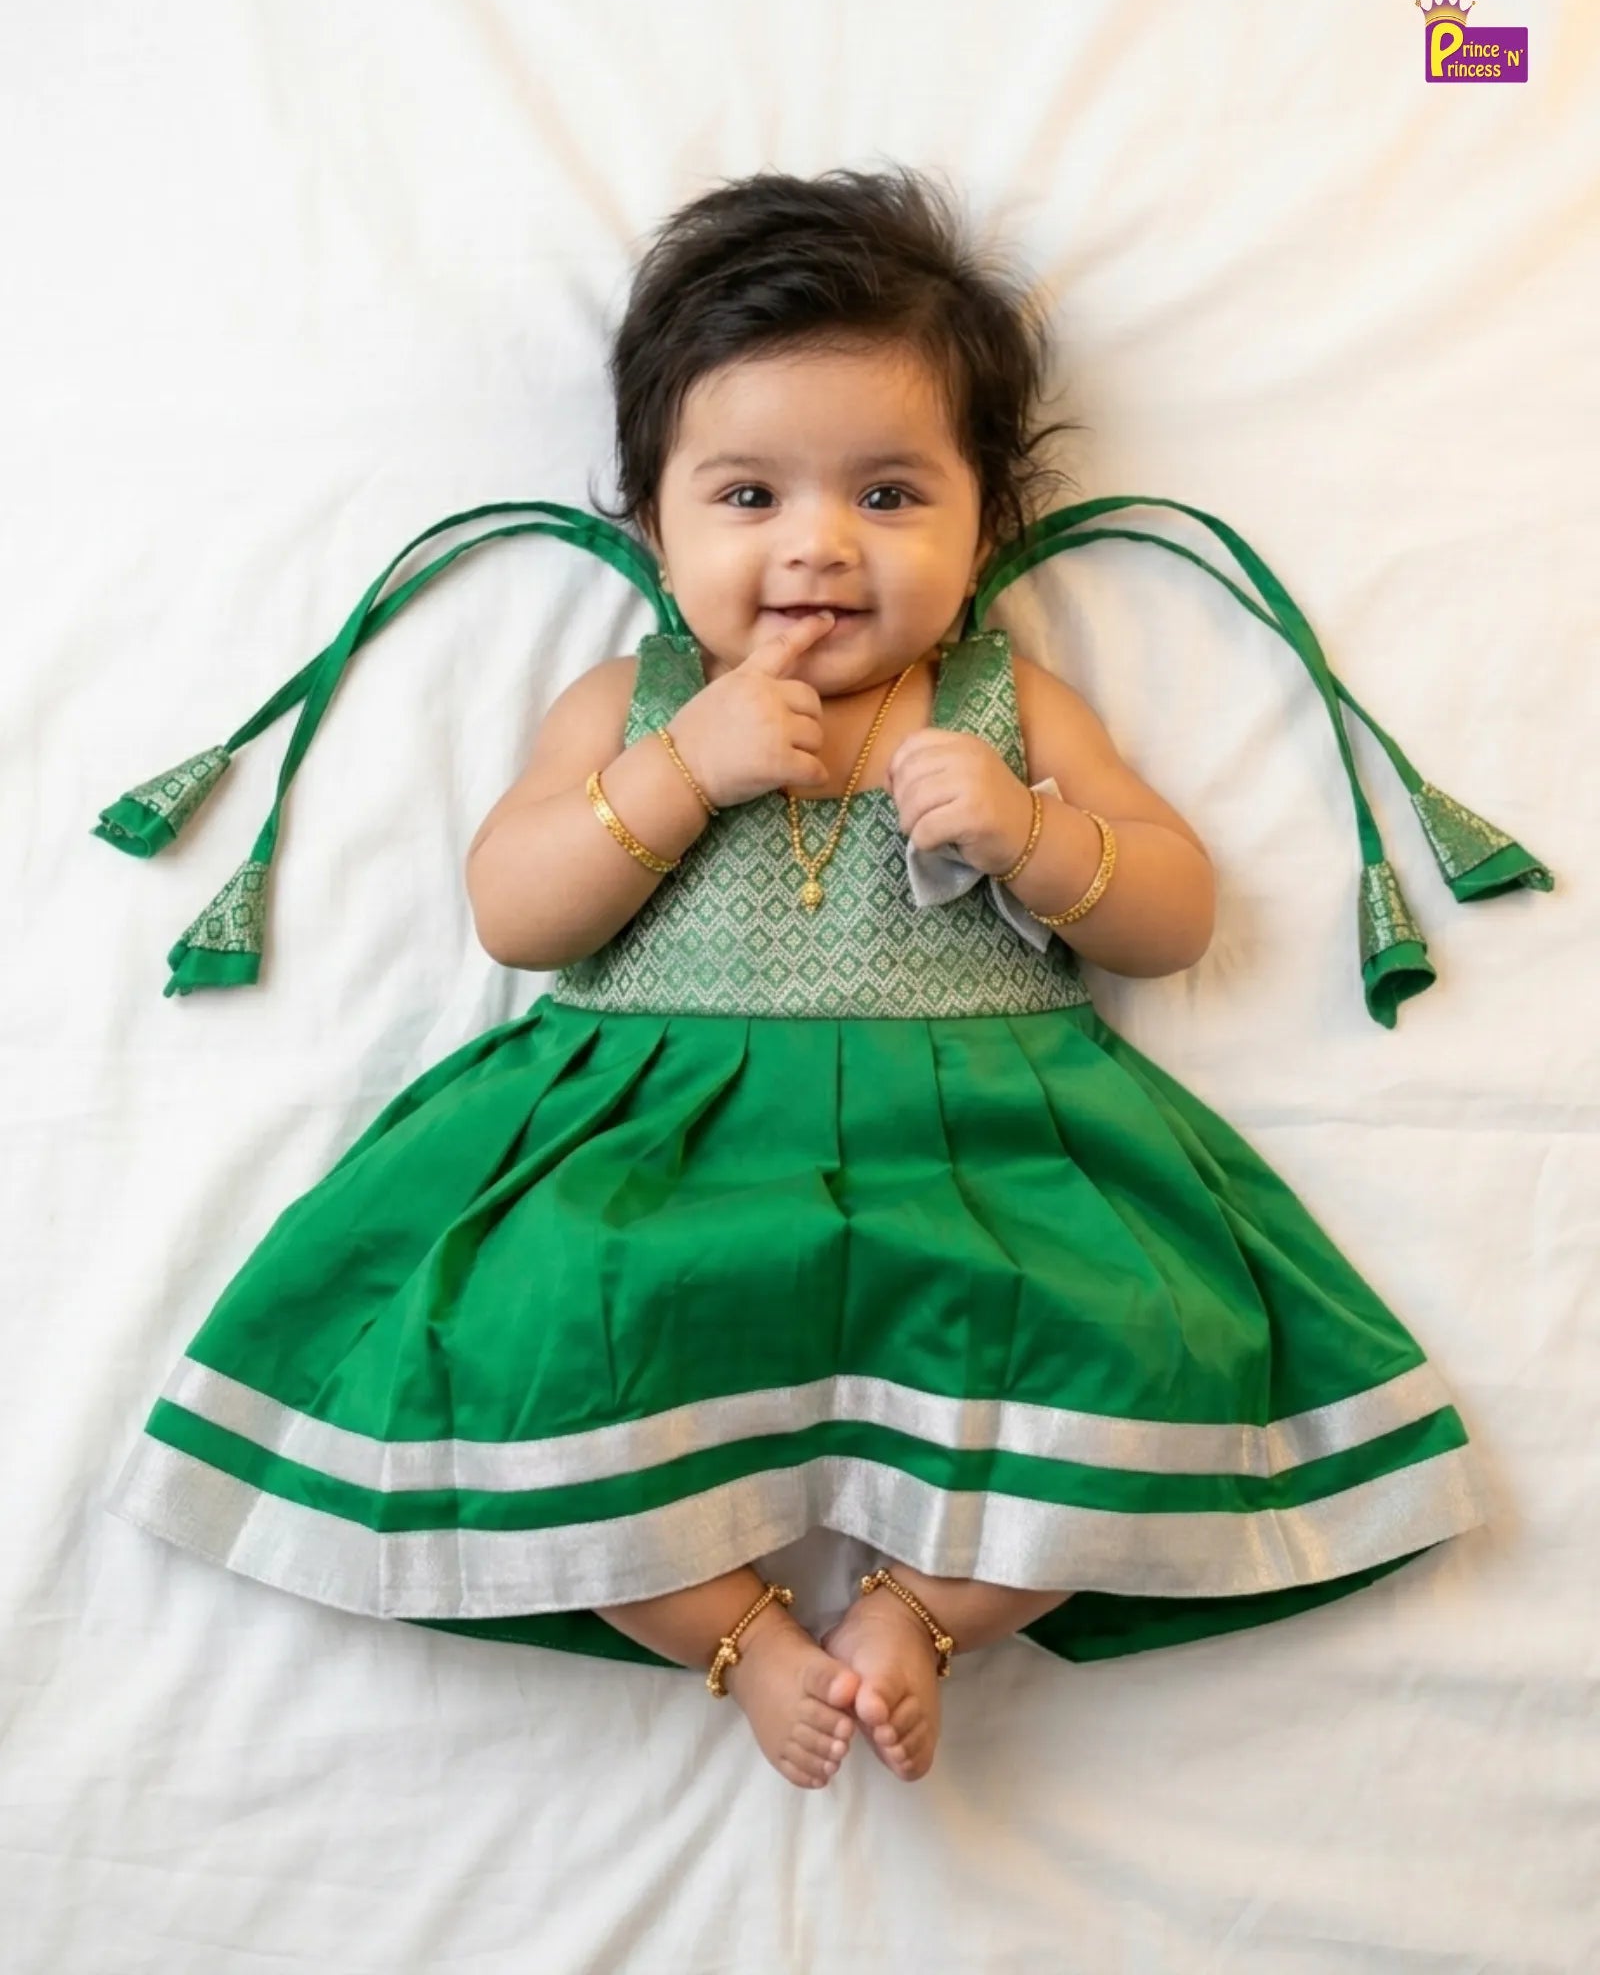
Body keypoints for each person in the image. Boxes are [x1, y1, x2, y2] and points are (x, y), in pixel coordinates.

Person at [99, 165, 1551, 1794]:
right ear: (651, 527)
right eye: (748, 496)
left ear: (985, 525)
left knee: (1157, 1346)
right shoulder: (633, 702)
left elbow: (1174, 915)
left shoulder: (1010, 700)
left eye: (887, 494)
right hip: (655, 1152)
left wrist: (1033, 832)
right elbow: (514, 912)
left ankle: (925, 1612)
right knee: (536, 1338)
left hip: (987, 1150)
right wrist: (682, 771)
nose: (818, 549)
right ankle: (733, 1629)